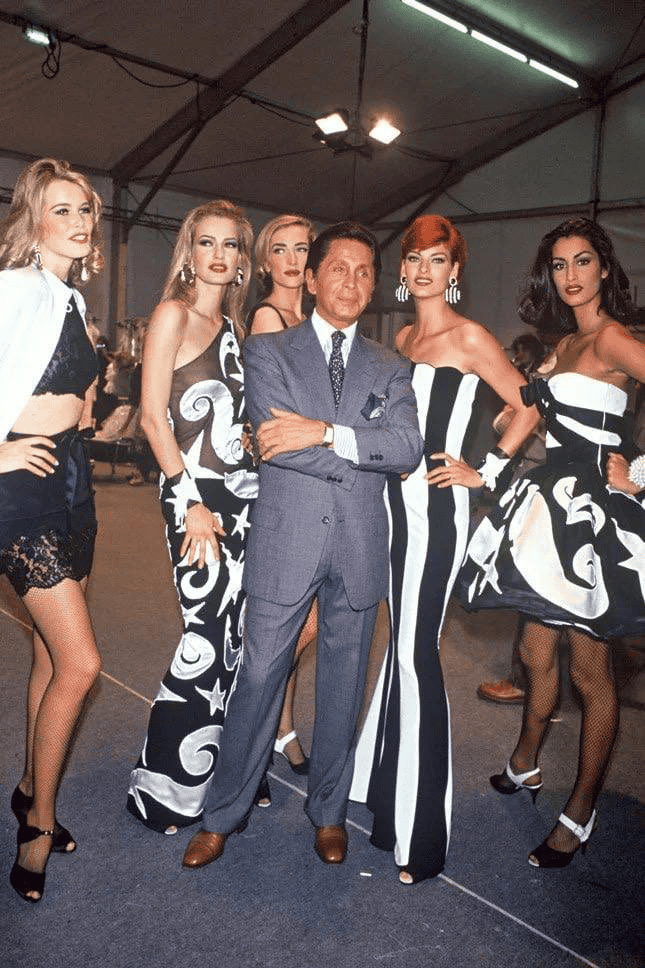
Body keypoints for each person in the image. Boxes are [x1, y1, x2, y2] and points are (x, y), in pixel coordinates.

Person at [182, 221, 424, 871]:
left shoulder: (391, 365)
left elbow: (407, 448)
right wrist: (359, 444)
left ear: (374, 286)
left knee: (343, 687)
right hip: (287, 541)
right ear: (311, 279)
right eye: (337, 268)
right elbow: (271, 442)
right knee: (258, 678)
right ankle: (221, 813)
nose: (351, 280)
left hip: (359, 546)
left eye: (364, 271)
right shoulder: (267, 350)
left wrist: (322, 433)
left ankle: (328, 812)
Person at [350, 215, 539, 884]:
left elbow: (527, 406)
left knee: (413, 652)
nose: (425, 268)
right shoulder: (399, 337)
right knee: (398, 643)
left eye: (438, 258)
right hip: (389, 508)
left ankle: (423, 835)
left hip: (436, 511)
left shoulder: (469, 337)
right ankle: (384, 800)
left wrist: (483, 472)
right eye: (414, 258)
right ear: (400, 271)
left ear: (454, 272)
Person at [459, 217, 645, 868]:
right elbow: (529, 413)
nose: (570, 275)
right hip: (546, 507)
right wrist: (479, 472)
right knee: (535, 654)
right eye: (560, 264)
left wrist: (640, 474)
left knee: (591, 674)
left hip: (594, 520)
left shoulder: (615, 338)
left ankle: (581, 810)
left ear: (603, 269)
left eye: (582, 261)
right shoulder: (558, 344)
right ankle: (524, 763)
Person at [126, 200, 259, 834]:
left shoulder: (235, 328)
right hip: (193, 498)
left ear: (240, 260)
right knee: (203, 638)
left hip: (242, 501)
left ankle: (207, 773)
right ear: (189, 251)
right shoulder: (171, 315)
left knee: (233, 642)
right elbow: (154, 417)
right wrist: (192, 503)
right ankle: (160, 789)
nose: (218, 255)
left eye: (230, 245)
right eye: (206, 243)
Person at [0, 158, 103, 902]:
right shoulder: (12, 289)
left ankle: (30, 781)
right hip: (20, 490)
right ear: (34, 219)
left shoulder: (68, 299)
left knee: (45, 651)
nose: (78, 221)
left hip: (73, 483)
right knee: (82, 663)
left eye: (86, 210)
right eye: (61, 209)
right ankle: (38, 822)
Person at [247, 213, 317, 774]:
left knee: (304, 624)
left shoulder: (312, 316)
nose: (292, 260)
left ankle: (281, 725)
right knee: (285, 628)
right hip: (287, 482)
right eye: (281, 250)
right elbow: (274, 414)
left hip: (315, 479)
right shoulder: (269, 318)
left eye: (302, 249)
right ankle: (263, 732)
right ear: (265, 261)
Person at [477, 332, 549, 705]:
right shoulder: (558, 363)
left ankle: (526, 683)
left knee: (532, 589)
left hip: (547, 489)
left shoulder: (549, 375)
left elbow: (515, 423)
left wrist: (639, 475)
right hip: (542, 485)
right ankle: (535, 687)